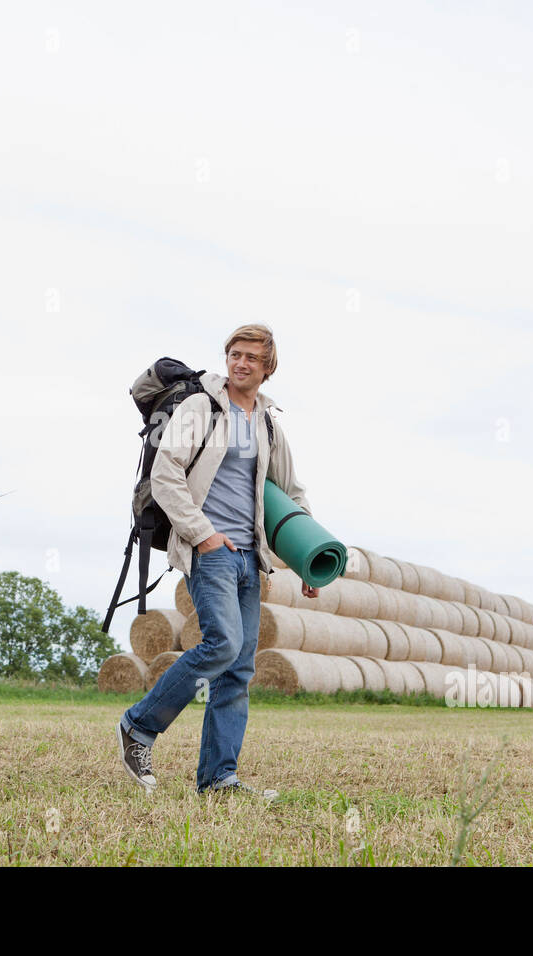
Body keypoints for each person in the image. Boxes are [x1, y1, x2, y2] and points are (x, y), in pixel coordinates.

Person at [117, 324, 319, 798]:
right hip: (211, 551)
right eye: (234, 353)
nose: (240, 363)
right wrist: (203, 535)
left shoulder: (269, 422)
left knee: (238, 669)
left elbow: (291, 493)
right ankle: (139, 726)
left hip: (252, 557)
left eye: (251, 357)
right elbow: (166, 476)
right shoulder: (200, 407)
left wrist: (309, 558)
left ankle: (217, 778)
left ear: (268, 367)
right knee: (223, 644)